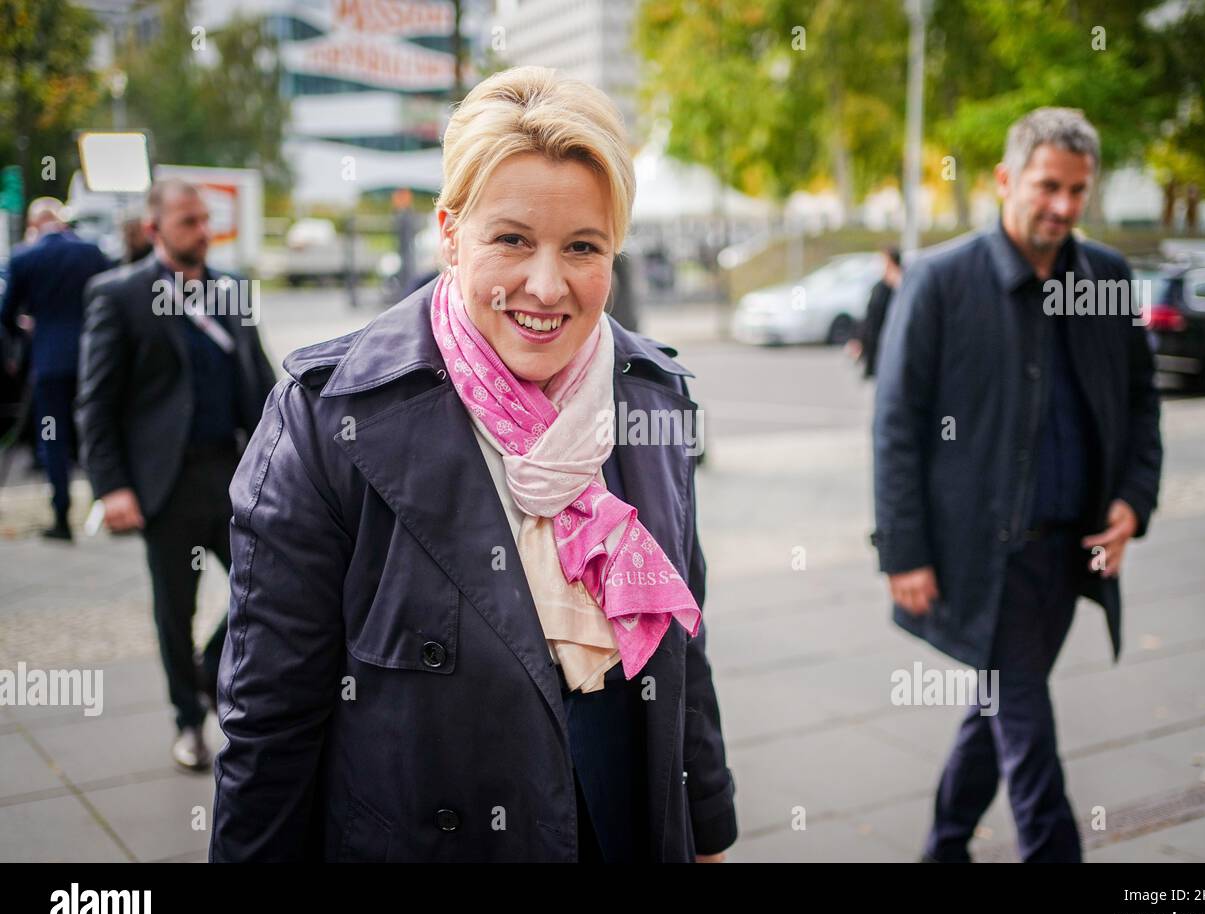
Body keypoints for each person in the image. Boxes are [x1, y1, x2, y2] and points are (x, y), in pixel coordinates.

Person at [210, 67, 738, 863]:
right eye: (513, 239)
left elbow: (683, 648)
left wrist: (710, 827)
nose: (547, 285)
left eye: (583, 246)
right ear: (450, 232)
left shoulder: (653, 399)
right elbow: (271, 722)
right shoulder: (328, 417)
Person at [872, 107, 1162, 862]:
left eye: (1077, 191)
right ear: (1006, 179)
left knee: (997, 705)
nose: (1063, 206)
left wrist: (1134, 502)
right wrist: (904, 551)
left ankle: (943, 846)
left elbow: (1140, 402)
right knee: (1028, 733)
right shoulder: (938, 280)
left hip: (1071, 556)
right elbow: (897, 423)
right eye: (1047, 187)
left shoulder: (1107, 278)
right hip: (980, 558)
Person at [76, 179, 277, 770]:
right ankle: (188, 724)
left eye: (205, 219)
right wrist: (111, 487)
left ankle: (208, 674)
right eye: (188, 220)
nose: (202, 230)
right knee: (174, 608)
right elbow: (96, 401)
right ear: (155, 228)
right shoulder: (119, 295)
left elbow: (259, 383)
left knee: (266, 586)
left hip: (233, 473)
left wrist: (286, 458)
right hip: (163, 484)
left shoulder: (232, 290)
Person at [0, 197, 110, 539]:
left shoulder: (24, 257)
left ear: (35, 226)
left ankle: (61, 515)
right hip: (91, 358)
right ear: (62, 222)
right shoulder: (92, 253)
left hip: (48, 360)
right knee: (96, 430)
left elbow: (6, 314)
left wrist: (27, 330)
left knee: (54, 436)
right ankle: (106, 505)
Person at [847, 246, 901, 378]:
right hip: (875, 348)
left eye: (883, 260)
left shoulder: (901, 287)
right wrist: (858, 340)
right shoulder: (879, 287)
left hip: (890, 349)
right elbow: (870, 317)